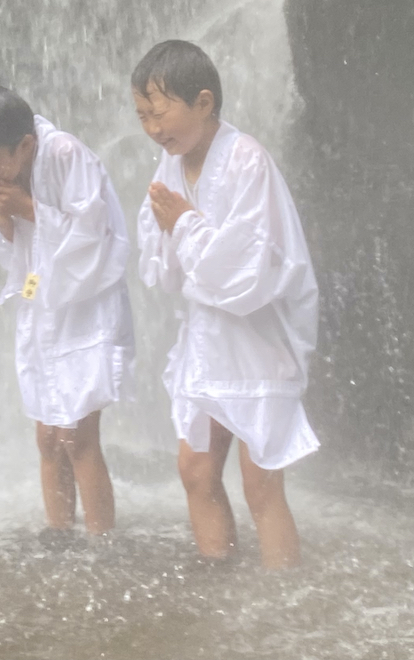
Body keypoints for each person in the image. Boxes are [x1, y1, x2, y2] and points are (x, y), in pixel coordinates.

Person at [131, 40, 319, 568]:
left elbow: (250, 269)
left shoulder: (246, 160)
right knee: (195, 472)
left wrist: (185, 226)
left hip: (259, 342)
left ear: (204, 103)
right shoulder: (168, 167)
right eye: (142, 115)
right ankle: (221, 583)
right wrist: (175, 233)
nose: (152, 128)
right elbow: (162, 268)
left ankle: (284, 602)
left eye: (160, 112)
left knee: (261, 485)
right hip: (208, 342)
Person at [0, 85, 135, 535]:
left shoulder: (66, 154)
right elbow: (25, 253)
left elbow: (96, 238)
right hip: (43, 306)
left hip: (87, 307)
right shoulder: (5, 171)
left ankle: (100, 545)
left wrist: (27, 209)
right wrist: (4, 223)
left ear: (26, 146)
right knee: (48, 437)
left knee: (78, 435)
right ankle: (58, 536)